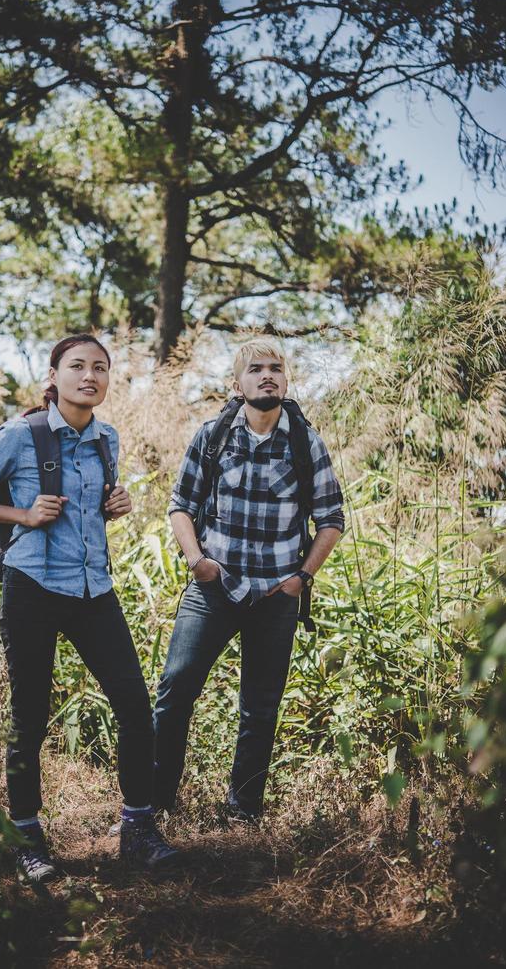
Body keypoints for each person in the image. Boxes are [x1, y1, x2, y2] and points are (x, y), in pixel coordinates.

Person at [0, 334, 177, 883]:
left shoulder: (107, 439)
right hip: (32, 588)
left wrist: (114, 505)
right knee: (29, 718)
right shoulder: (19, 435)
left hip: (95, 591)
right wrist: (22, 515)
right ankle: (25, 836)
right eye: (77, 366)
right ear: (53, 375)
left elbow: (93, 510)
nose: (89, 376)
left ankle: (137, 829)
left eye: (100, 367)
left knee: (135, 708)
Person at [153, 339, 345, 821]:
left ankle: (243, 813)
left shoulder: (304, 442)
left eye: (275, 369)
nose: (267, 376)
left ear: (285, 380)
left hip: (277, 596)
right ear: (236, 384)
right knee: (175, 690)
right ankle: (154, 803)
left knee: (259, 710)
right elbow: (180, 506)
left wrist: (302, 577)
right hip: (213, 590)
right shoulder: (214, 435)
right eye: (255, 369)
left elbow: (332, 519)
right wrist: (197, 560)